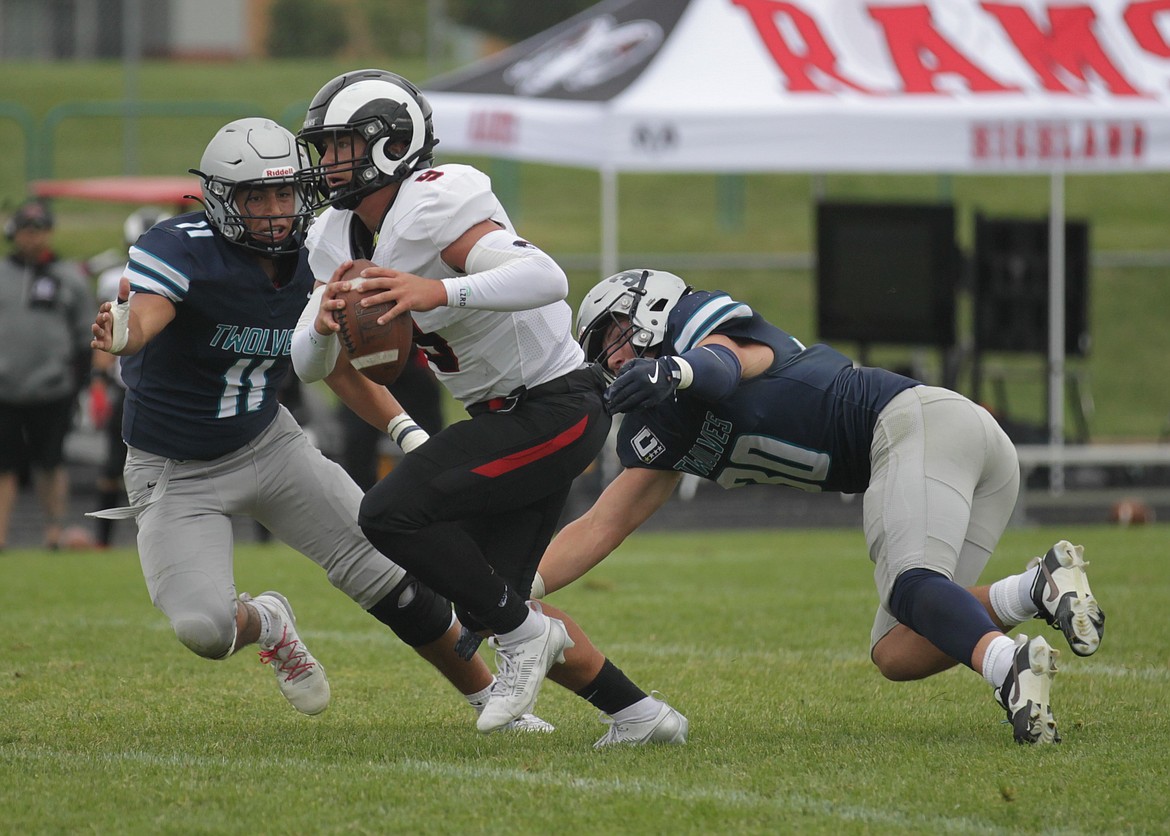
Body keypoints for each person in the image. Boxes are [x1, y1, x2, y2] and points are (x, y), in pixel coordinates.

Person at [89, 117, 552, 731]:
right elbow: (147, 315)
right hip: (174, 470)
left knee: (395, 581)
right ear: (223, 198)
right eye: (257, 195)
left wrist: (405, 430)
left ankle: (490, 699)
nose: (276, 211)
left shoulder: (315, 254)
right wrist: (125, 333)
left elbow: (330, 368)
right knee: (205, 629)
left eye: (284, 193)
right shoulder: (181, 246)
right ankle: (270, 623)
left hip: (268, 443)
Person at [534, 268, 1106, 745]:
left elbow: (733, 360)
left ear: (647, 308)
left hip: (913, 422)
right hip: (951, 442)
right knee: (899, 649)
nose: (609, 360)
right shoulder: (659, 424)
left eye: (611, 336)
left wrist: (674, 369)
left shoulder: (695, 327)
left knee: (912, 585)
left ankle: (1010, 671)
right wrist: (514, 592)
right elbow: (602, 524)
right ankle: (1037, 588)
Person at [291, 69, 686, 747]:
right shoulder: (335, 236)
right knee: (492, 599)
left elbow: (546, 277)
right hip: (505, 415)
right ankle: (640, 714)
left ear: (391, 144)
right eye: (324, 148)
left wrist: (437, 293)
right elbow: (308, 366)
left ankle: (527, 637)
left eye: (341, 145)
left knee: (388, 514)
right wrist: (321, 323)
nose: (328, 162)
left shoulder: (435, 202)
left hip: (555, 407)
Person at [0, 198, 95, 551]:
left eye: (38, 230)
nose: (32, 238)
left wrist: (82, 384)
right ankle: (2, 537)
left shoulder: (68, 276)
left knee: (50, 462)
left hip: (53, 387)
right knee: (4, 467)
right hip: (5, 387)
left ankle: (54, 532)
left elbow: (85, 335)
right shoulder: (2, 275)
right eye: (26, 230)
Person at [88, 207, 173, 549]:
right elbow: (104, 334)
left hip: (170, 387)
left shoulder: (185, 274)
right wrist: (97, 379)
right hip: (132, 387)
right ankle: (103, 543)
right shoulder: (115, 279)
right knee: (112, 467)